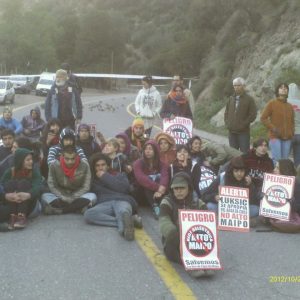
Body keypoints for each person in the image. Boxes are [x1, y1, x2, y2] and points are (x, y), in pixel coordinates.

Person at [159, 172, 213, 278]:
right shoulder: (166, 202)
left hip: (195, 241)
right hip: (174, 244)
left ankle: (206, 262)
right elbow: (163, 222)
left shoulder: (198, 203)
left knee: (204, 232)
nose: (178, 191)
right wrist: (177, 228)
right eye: (176, 188)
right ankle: (191, 265)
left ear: (189, 188)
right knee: (174, 230)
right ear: (172, 189)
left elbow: (209, 224)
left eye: (182, 188)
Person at [84, 153, 138, 241]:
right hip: (105, 203)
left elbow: (124, 189)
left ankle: (124, 230)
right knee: (89, 215)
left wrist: (105, 176)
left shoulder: (119, 175)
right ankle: (129, 222)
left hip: (122, 201)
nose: (100, 168)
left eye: (103, 165)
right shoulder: (93, 180)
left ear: (108, 166)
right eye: (97, 166)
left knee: (123, 211)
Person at [41, 145, 96, 215]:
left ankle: (62, 210)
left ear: (77, 157)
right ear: (62, 156)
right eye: (67, 159)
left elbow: (86, 186)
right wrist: (63, 197)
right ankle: (78, 208)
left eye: (73, 159)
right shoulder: (54, 165)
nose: (70, 162)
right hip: (61, 195)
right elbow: (52, 185)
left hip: (78, 195)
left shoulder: (85, 165)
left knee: (92, 196)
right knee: (45, 196)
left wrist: (73, 197)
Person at [0, 148, 43, 229]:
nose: (31, 162)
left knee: (24, 183)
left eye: (31, 159)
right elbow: (1, 185)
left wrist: (28, 194)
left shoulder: (34, 171)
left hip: (31, 205)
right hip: (13, 204)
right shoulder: (10, 171)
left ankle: (21, 217)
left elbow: (38, 187)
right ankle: (12, 217)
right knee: (11, 183)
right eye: (28, 160)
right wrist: (7, 195)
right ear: (20, 161)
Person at [133, 140, 169, 219]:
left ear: (155, 151)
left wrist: (162, 187)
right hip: (142, 195)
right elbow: (141, 178)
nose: (147, 151)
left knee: (164, 182)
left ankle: (164, 206)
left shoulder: (162, 164)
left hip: (158, 194)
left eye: (150, 149)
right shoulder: (138, 163)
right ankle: (155, 206)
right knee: (147, 181)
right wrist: (158, 188)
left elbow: (165, 176)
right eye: (146, 149)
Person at [261, 83, 294, 163]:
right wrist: (273, 128)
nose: (284, 89)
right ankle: (275, 174)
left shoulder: (290, 106)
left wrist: (291, 133)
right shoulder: (272, 103)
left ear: (288, 91)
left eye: (286, 88)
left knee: (285, 161)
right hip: (275, 137)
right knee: (277, 160)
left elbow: (292, 122)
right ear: (277, 91)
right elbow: (263, 118)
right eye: (281, 87)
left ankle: (282, 175)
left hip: (287, 138)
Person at [224, 77, 257, 153]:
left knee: (245, 154)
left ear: (243, 86)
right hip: (232, 132)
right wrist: (227, 123)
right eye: (235, 85)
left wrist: (244, 124)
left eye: (238, 85)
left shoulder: (249, 99)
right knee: (232, 154)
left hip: (243, 133)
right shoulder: (231, 98)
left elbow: (253, 114)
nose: (236, 87)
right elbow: (226, 112)